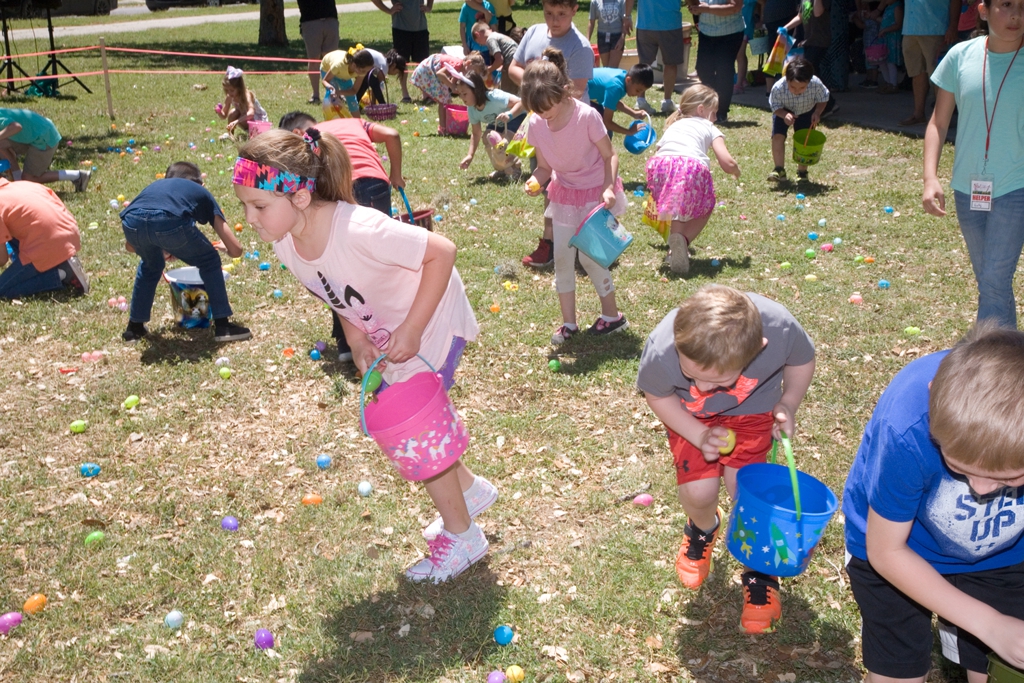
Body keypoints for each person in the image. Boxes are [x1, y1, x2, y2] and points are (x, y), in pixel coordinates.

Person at [233, 128, 496, 583]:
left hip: (429, 319)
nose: (248, 218)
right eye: (244, 205)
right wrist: (356, 341)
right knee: (417, 422)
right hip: (390, 328)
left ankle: (463, 536)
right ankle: (469, 492)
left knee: (417, 430)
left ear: (297, 197)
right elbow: (335, 293)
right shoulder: (287, 245)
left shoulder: (358, 228)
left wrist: (412, 329)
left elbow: (442, 253)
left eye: (258, 205)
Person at [842, 323, 1024, 682]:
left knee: (1002, 665)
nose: (982, 490)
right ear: (933, 400)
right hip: (895, 551)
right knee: (899, 670)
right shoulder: (907, 427)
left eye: (1009, 479)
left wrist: (997, 627)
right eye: (958, 468)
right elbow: (886, 552)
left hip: (1004, 555)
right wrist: (988, 624)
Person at [637, 284, 815, 634]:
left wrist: (788, 404)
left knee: (746, 493)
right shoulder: (663, 348)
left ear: (756, 351)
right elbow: (657, 395)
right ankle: (703, 528)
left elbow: (802, 360)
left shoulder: (778, 329)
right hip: (691, 419)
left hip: (753, 413)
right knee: (699, 493)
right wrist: (699, 435)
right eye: (691, 375)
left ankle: (759, 572)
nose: (701, 388)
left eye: (717, 379)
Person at [922, 0, 1024, 329]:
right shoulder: (959, 56)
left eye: (1023, 7)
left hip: (1016, 187)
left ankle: (987, 371)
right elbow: (938, 123)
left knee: (993, 282)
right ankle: (1011, 364)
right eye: (1006, 5)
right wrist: (930, 178)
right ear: (983, 10)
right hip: (967, 188)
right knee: (991, 284)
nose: (1016, 15)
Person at [278, 110, 406, 361]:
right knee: (375, 261)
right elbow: (392, 133)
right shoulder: (353, 121)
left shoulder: (311, 142)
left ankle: (348, 341)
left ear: (298, 134)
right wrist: (396, 173)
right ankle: (382, 332)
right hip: (374, 184)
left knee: (338, 265)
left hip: (336, 187)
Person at [521, 48, 629, 345]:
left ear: (565, 92)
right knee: (563, 258)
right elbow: (544, 167)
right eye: (538, 112)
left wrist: (608, 186)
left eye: (548, 111)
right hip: (565, 194)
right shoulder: (536, 123)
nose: (545, 118)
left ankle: (612, 317)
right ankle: (569, 323)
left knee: (592, 258)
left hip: (595, 193)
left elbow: (610, 155)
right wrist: (534, 180)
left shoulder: (587, 116)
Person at [506, 0, 595, 269]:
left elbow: (577, 89)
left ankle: (588, 241)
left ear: (574, 10)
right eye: (548, 13)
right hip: (541, 120)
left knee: (578, 184)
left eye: (561, 14)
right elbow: (513, 67)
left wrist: (541, 88)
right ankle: (551, 242)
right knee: (547, 183)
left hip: (572, 126)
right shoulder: (533, 32)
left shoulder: (580, 47)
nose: (554, 20)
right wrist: (537, 86)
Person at [119, 162, 249, 344]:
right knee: (209, 260)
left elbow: (130, 246)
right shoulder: (200, 192)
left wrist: (164, 245)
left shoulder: (154, 189)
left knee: (151, 265)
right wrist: (225, 248)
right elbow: (236, 250)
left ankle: (134, 328)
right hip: (170, 220)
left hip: (131, 221)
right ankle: (223, 326)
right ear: (201, 184)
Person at [646, 85, 741, 274]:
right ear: (701, 110)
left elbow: (659, 152)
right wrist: (735, 169)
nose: (714, 117)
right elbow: (726, 161)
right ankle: (681, 242)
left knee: (677, 211)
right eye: (714, 112)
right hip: (690, 166)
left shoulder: (674, 125)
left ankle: (675, 251)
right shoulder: (708, 126)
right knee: (705, 206)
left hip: (659, 166)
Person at [0, 176, 88, 298]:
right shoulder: (23, 184)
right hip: (69, 233)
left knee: (2, 290)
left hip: (48, 244)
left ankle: (60, 274)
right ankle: (58, 262)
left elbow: (2, 259)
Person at [766, 56, 829, 182]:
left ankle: (802, 172)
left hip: (806, 111)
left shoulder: (816, 84)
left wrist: (817, 112)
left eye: (802, 88)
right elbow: (775, 106)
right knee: (778, 136)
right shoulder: (778, 88)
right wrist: (784, 115)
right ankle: (779, 169)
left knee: (804, 141)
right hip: (784, 110)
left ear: (809, 81)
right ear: (786, 79)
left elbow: (823, 98)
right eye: (793, 87)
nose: (797, 91)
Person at [453, 70, 525, 178]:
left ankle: (515, 168)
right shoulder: (472, 109)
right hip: (498, 122)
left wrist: (509, 114)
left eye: (465, 94)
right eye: (460, 94)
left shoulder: (494, 97)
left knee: (504, 142)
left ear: (476, 90)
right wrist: (470, 155)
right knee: (487, 137)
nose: (462, 98)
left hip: (517, 117)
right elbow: (476, 133)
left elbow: (521, 102)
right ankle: (501, 168)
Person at [898, 0, 960, 125]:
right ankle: (918, 114)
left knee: (939, 77)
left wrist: (953, 26)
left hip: (935, 28)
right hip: (910, 29)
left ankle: (942, 118)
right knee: (916, 73)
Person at [0, 108, 89, 192]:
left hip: (45, 137)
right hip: (34, 134)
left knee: (28, 178)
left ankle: (78, 176)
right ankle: (18, 181)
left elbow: (16, 126)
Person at [688, 0, 746, 122]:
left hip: (730, 33)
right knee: (703, 69)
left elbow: (735, 7)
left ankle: (721, 112)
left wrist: (706, 9)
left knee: (724, 72)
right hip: (706, 31)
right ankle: (713, 104)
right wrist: (694, 8)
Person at [623, 0, 683, 114]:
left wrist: (627, 16)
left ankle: (640, 99)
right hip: (670, 22)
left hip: (646, 22)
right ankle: (667, 101)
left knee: (643, 64)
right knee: (671, 63)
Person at [410, 52, 487, 134]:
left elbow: (452, 78)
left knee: (445, 98)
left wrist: (454, 86)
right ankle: (442, 128)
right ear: (468, 63)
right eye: (473, 71)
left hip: (430, 69)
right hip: (428, 70)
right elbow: (440, 73)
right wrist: (451, 86)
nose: (472, 74)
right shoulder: (458, 64)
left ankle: (445, 126)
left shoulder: (461, 67)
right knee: (444, 100)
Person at [372, 0, 432, 103]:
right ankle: (405, 94)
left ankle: (426, 94)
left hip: (420, 27)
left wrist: (429, 6)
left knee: (422, 62)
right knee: (401, 63)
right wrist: (388, 10)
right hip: (400, 28)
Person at [588, 64, 655, 136]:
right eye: (638, 90)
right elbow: (607, 123)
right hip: (579, 94)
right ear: (628, 80)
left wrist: (633, 113)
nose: (638, 94)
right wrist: (629, 132)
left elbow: (613, 101)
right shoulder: (615, 87)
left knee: (605, 133)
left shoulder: (624, 78)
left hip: (588, 95)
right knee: (604, 133)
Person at [297, 0, 339, 104]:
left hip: (330, 20)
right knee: (314, 60)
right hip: (310, 22)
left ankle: (334, 93)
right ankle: (315, 95)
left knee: (332, 60)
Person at [321, 49, 376, 120]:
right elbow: (325, 80)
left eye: (367, 71)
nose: (365, 73)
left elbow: (353, 91)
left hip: (343, 74)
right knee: (333, 99)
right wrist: (331, 88)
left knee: (352, 100)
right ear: (354, 65)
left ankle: (358, 124)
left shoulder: (362, 71)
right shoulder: (338, 65)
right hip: (327, 68)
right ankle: (334, 122)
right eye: (364, 71)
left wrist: (339, 92)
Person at [473, 21, 522, 95]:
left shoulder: (490, 39)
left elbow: (499, 60)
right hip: (519, 59)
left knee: (507, 92)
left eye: (479, 42)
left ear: (478, 34)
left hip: (510, 63)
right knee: (516, 89)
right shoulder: (497, 35)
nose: (481, 44)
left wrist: (489, 69)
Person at [217, 67, 270, 135]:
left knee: (242, 114)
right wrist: (219, 112)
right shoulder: (229, 97)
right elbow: (224, 116)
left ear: (239, 88)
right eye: (227, 90)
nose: (229, 93)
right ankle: (230, 134)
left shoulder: (246, 95)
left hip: (258, 121)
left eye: (232, 90)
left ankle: (254, 132)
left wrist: (237, 121)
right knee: (233, 113)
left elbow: (251, 113)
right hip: (245, 119)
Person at [588, 0, 628, 67]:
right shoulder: (595, 2)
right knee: (606, 68)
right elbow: (591, 22)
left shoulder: (622, 1)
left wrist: (622, 38)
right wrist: (587, 40)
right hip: (602, 36)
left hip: (617, 36)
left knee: (613, 68)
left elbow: (625, 22)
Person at [877, 0, 905, 93]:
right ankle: (888, 82)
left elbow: (898, 24)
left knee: (890, 61)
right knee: (882, 60)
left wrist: (885, 30)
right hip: (885, 38)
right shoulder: (888, 8)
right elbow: (885, 20)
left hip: (893, 38)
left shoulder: (897, 7)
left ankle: (893, 84)